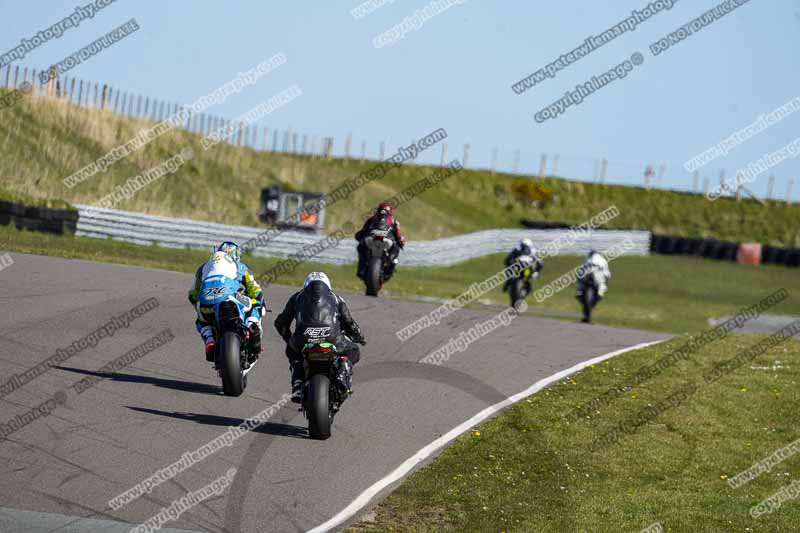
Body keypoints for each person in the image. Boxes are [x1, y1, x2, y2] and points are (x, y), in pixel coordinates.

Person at [274, 272, 366, 403]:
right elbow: (349, 323)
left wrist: (289, 339)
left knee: (293, 352)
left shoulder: (296, 297)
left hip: (303, 340)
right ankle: (343, 366)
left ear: (306, 285)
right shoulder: (336, 298)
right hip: (333, 339)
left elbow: (281, 323)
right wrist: (360, 337)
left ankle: (297, 383)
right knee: (353, 350)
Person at [188, 241, 265, 363]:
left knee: (201, 320)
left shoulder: (203, 268)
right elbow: (255, 289)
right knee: (255, 304)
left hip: (206, 303)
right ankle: (252, 327)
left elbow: (192, 294)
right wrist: (261, 302)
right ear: (236, 255)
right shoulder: (240, 267)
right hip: (230, 297)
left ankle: (209, 339)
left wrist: (197, 304)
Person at [355, 202, 406, 280]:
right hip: (387, 242)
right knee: (396, 249)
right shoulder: (394, 221)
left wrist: (358, 237)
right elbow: (398, 236)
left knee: (360, 246)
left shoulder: (371, 219)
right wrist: (401, 244)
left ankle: (362, 268)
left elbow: (362, 232)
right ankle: (390, 264)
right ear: (390, 212)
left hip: (371, 240)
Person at [576, 249, 611, 323]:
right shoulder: (603, 261)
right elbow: (607, 275)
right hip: (599, 279)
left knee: (580, 293)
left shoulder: (587, 259)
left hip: (587, 277)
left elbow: (580, 273)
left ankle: (580, 294)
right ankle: (588, 310)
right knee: (599, 296)